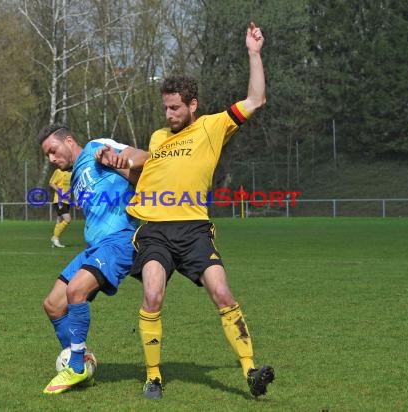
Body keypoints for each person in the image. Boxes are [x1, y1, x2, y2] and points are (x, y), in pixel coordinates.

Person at [96, 22, 274, 400]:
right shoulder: (159, 138)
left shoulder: (212, 127)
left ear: (193, 105)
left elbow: (256, 100)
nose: (169, 113)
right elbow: (143, 173)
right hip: (155, 229)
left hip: (194, 230)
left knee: (223, 293)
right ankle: (153, 377)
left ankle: (250, 372)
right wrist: (114, 162)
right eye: (165, 107)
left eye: (175, 107)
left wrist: (253, 54)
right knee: (153, 295)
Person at [37, 124, 148, 394]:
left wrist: (122, 160)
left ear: (69, 141)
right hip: (95, 246)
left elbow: (145, 156)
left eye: (53, 151)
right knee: (53, 304)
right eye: (47, 156)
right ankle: (81, 359)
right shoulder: (75, 175)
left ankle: (75, 367)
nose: (52, 159)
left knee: (76, 291)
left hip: (120, 239)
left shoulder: (96, 147)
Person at [49, 168, 72, 248]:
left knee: (59, 220)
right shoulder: (58, 171)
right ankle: (55, 238)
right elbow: (51, 183)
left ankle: (56, 240)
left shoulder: (71, 173)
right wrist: (60, 191)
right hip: (59, 201)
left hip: (67, 201)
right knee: (68, 219)